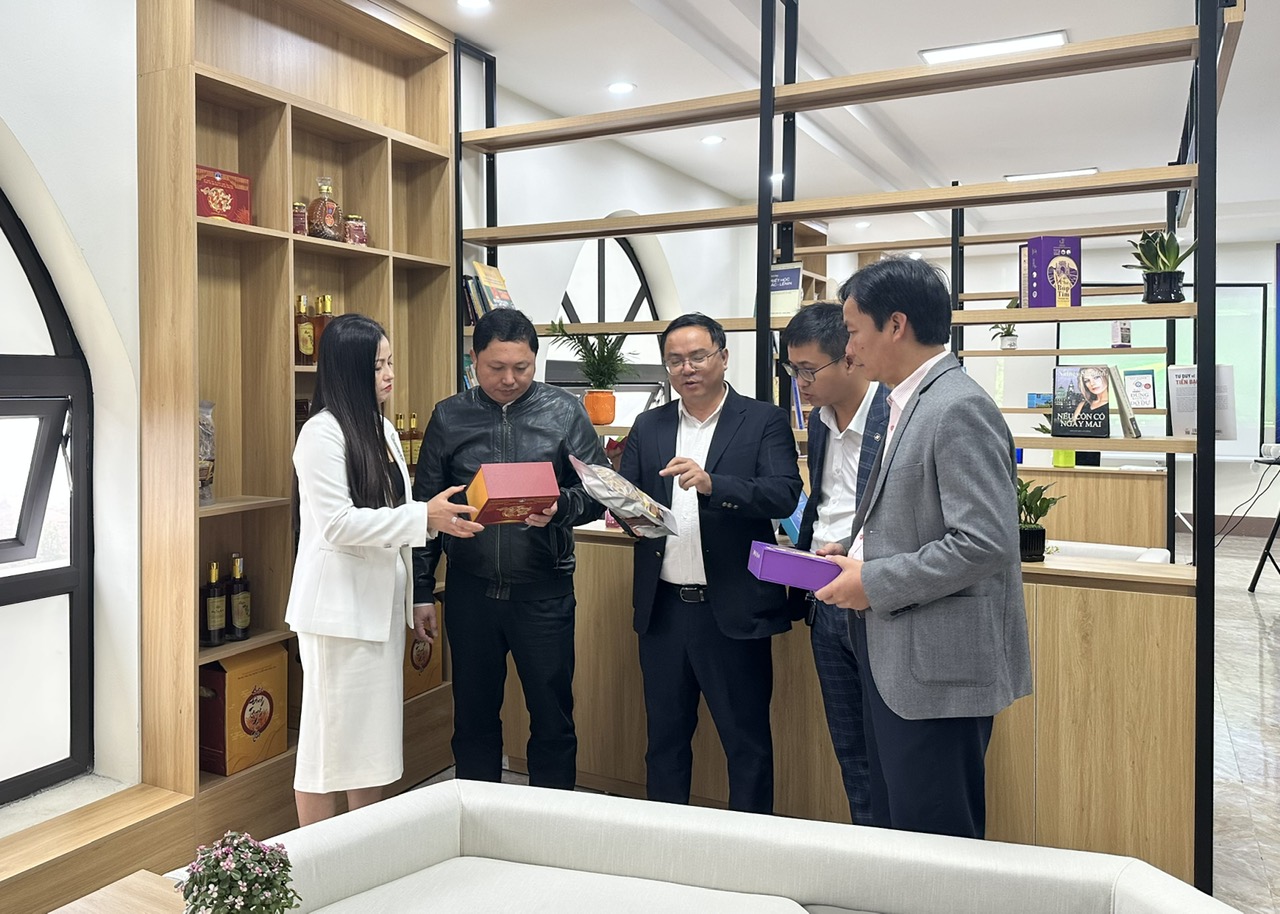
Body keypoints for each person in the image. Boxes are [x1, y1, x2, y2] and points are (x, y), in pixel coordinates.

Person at [814, 257, 1032, 840]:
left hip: (937, 673)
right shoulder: (904, 402)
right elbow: (912, 518)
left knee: (937, 847)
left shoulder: (957, 406)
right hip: (897, 660)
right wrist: (854, 552)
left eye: (853, 331)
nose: (848, 349)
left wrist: (872, 580)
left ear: (896, 325)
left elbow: (985, 541)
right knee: (896, 834)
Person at [287, 314, 483, 826]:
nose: (390, 374)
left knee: (370, 746)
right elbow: (338, 524)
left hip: (378, 610)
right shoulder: (320, 434)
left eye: (390, 362)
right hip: (338, 615)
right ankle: (321, 855)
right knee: (328, 749)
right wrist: (423, 517)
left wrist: (432, 524)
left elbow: (393, 516)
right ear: (348, 370)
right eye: (378, 366)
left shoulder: (382, 429)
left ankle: (363, 845)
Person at [412, 307, 606, 790]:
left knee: (553, 718)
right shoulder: (449, 416)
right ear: (473, 360)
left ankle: (549, 820)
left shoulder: (565, 412)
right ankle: (477, 818)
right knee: (473, 716)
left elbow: (600, 491)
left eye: (522, 367)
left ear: (535, 360)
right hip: (471, 593)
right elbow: (424, 511)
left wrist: (560, 506)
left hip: (544, 593)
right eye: (496, 367)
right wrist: (420, 590)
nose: (509, 379)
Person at [619, 313, 801, 814]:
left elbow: (784, 493)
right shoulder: (650, 425)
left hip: (733, 610)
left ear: (723, 357)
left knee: (746, 745)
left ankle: (750, 848)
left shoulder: (762, 419)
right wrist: (618, 505)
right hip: (663, 611)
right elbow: (630, 498)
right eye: (675, 360)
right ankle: (667, 843)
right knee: (664, 741)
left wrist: (713, 484)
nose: (687, 368)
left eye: (698, 357)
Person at [780, 302, 889, 826]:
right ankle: (866, 850)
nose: (799, 383)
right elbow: (825, 504)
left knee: (891, 752)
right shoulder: (819, 421)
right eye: (792, 370)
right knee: (851, 752)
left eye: (808, 370)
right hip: (825, 602)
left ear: (848, 358)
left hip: (877, 603)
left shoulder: (896, 416)